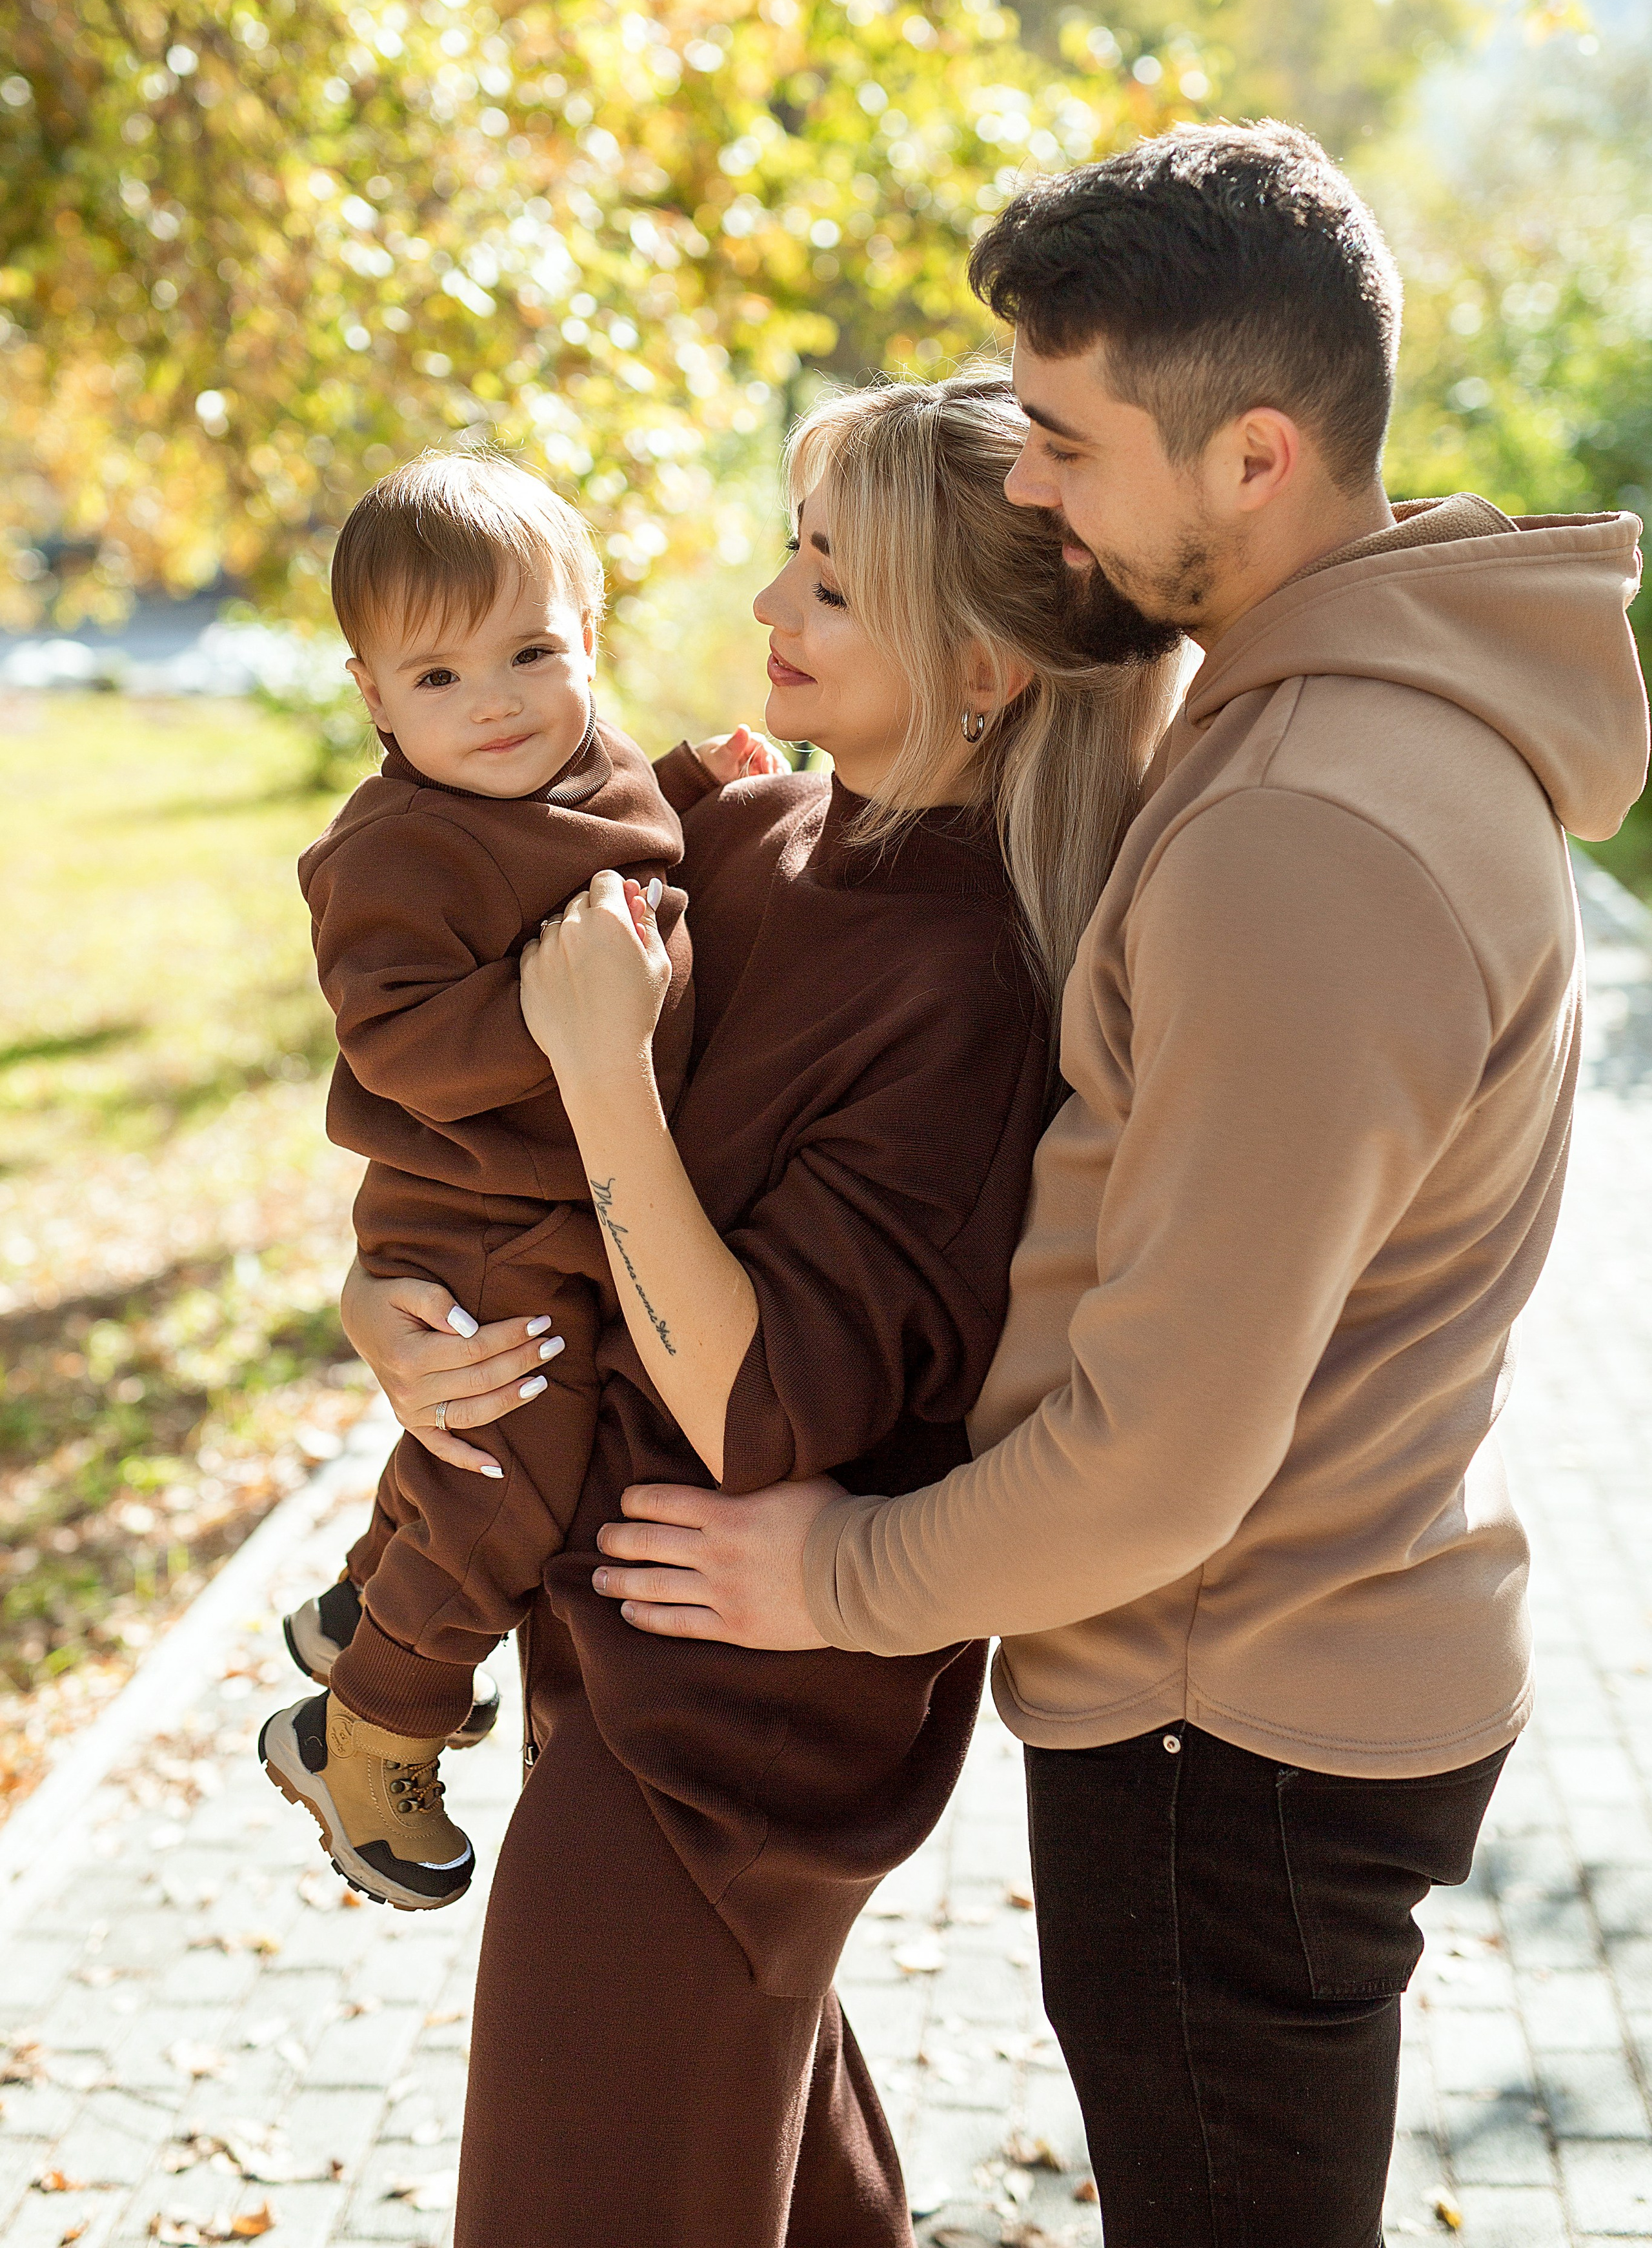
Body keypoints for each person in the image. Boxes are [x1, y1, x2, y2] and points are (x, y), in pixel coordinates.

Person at [586, 125, 1651, 2247]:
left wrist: (835, 1579)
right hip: (1276, 1696)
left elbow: (1166, 1457)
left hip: (1223, 1725)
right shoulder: (1327, 730)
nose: (1029, 487)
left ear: (1254, 458)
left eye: (1066, 443)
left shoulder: (1307, 830)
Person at [338, 370, 1180, 2245]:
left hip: (730, 1729)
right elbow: (485, 1140)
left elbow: (751, 1407)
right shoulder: (755, 832)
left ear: (985, 671)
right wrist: (377, 1297)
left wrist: (607, 1074)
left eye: (833, 583)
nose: (769, 612)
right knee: (784, 2186)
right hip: (611, 1635)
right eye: (794, 557)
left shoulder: (966, 977)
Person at [259, 449, 693, 1912]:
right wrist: (562, 1021)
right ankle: (370, 1726)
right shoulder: (394, 852)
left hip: (566, 1202)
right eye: (435, 679)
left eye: (530, 652)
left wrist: (712, 786)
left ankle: (353, 1610)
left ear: (589, 638)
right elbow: (398, 1042)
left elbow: (633, 845)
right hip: (480, 1215)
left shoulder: (593, 766)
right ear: (372, 697)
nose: (495, 700)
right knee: (508, 1480)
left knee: (470, 1450)